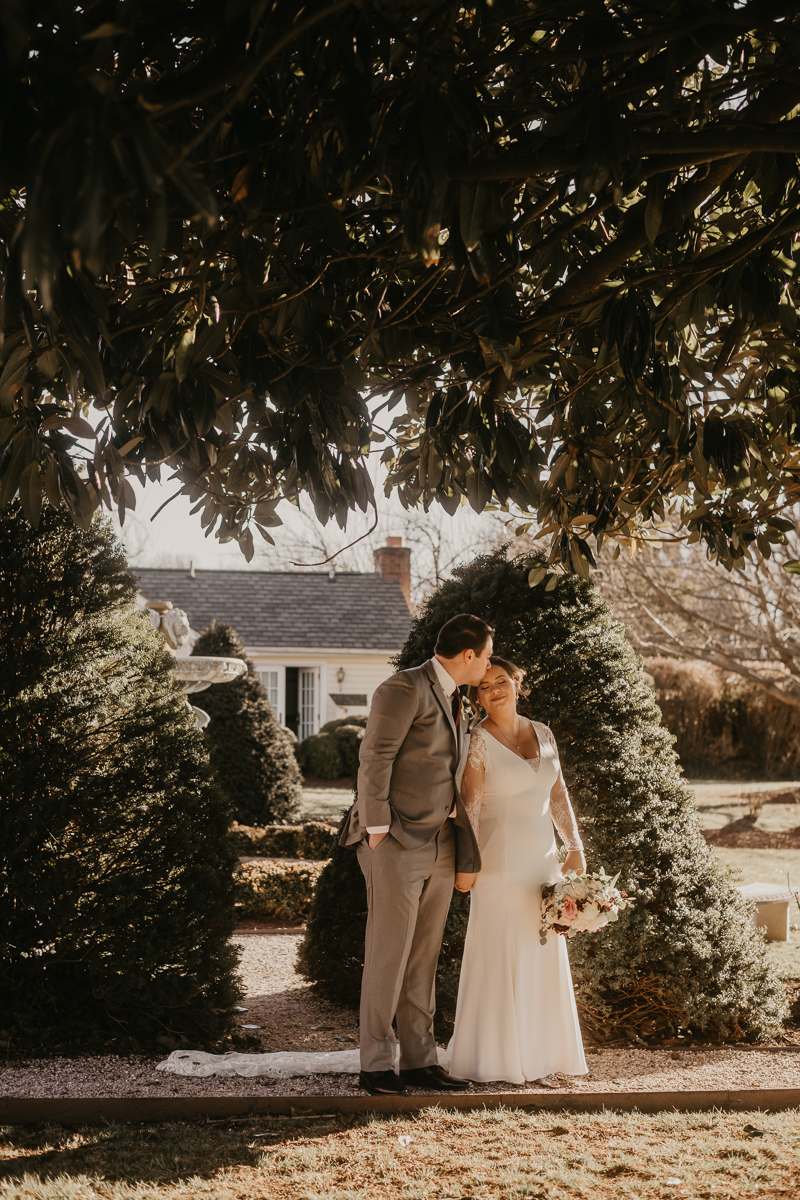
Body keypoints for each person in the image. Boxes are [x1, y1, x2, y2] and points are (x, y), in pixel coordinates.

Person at [339, 613, 494, 1096]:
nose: (488, 665)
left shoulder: (458, 698)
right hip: (397, 842)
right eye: (487, 656)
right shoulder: (402, 688)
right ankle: (377, 1065)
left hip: (444, 843)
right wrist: (379, 828)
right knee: (388, 954)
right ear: (468, 655)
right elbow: (375, 757)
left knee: (423, 958)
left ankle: (420, 1061)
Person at [442, 655, 588, 1085]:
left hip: (543, 866)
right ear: (476, 696)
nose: (495, 691)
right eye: (484, 687)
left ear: (518, 683)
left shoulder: (542, 733)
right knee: (501, 952)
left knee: (541, 950)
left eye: (502, 681)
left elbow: (557, 793)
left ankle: (542, 1055)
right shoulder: (478, 740)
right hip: (498, 864)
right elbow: (468, 810)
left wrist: (574, 845)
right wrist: (466, 865)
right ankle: (495, 1058)